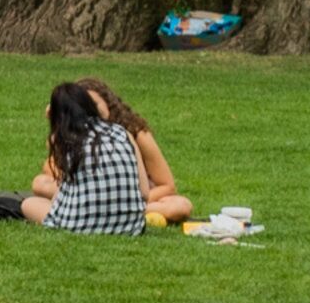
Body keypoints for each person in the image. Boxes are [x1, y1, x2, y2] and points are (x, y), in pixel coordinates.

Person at [18, 79, 189, 233]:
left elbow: (167, 185)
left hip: (123, 203)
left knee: (181, 205)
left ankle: (108, 208)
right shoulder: (121, 134)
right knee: (40, 182)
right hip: (129, 214)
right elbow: (52, 169)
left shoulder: (134, 132)